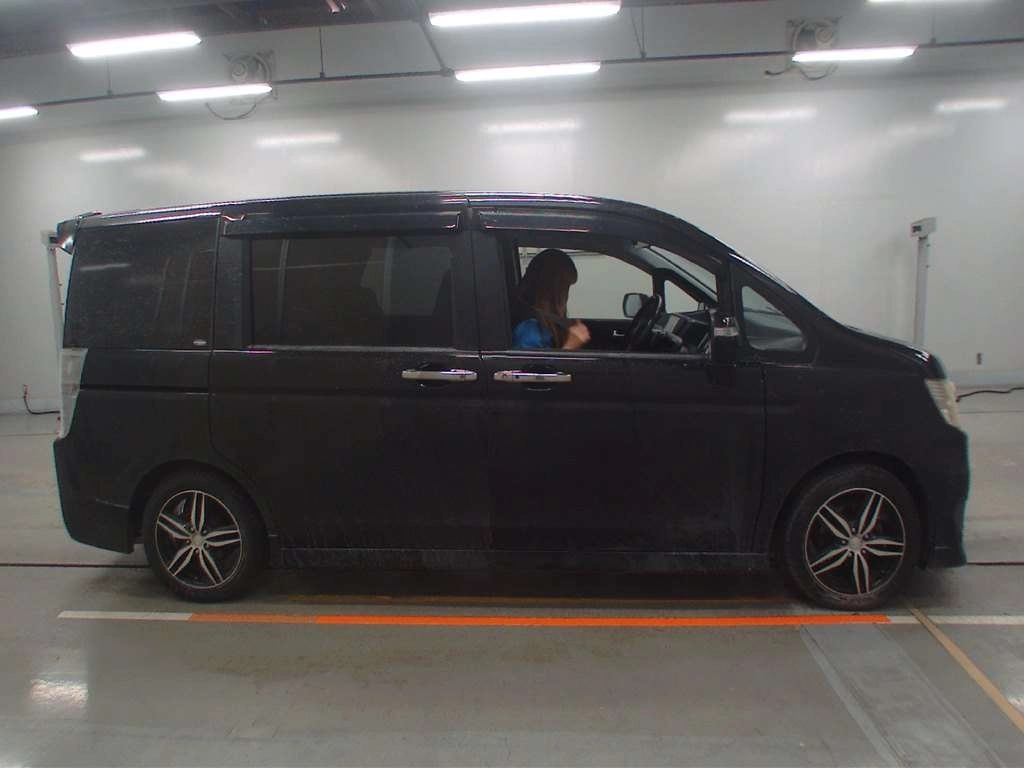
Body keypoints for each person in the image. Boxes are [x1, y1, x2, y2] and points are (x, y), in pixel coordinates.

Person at [512, 248, 591, 350]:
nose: (566, 295)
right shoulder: (529, 328)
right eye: (565, 287)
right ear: (552, 290)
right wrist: (570, 346)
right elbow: (532, 361)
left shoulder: (545, 321)